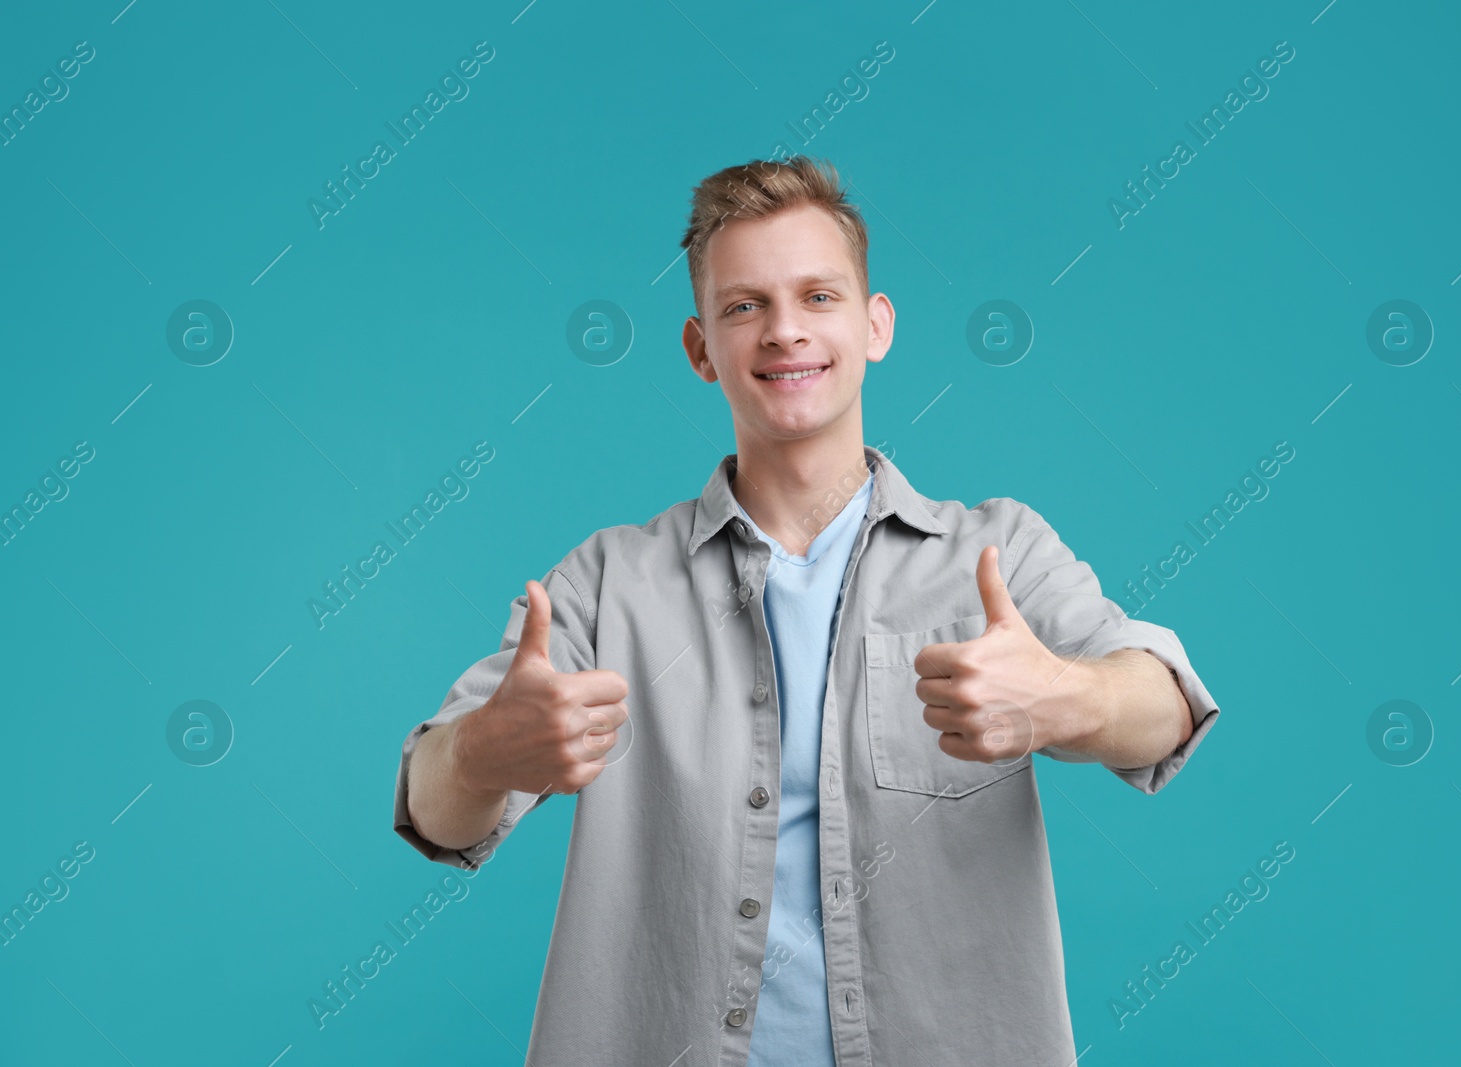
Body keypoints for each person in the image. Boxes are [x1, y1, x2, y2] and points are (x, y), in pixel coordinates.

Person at [393, 155, 1220, 1066]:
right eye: (745, 306)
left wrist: (1068, 699)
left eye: (819, 297)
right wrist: (481, 751)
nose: (785, 331)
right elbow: (434, 808)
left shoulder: (998, 552)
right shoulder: (604, 582)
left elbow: (1168, 705)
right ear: (701, 348)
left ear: (876, 326)